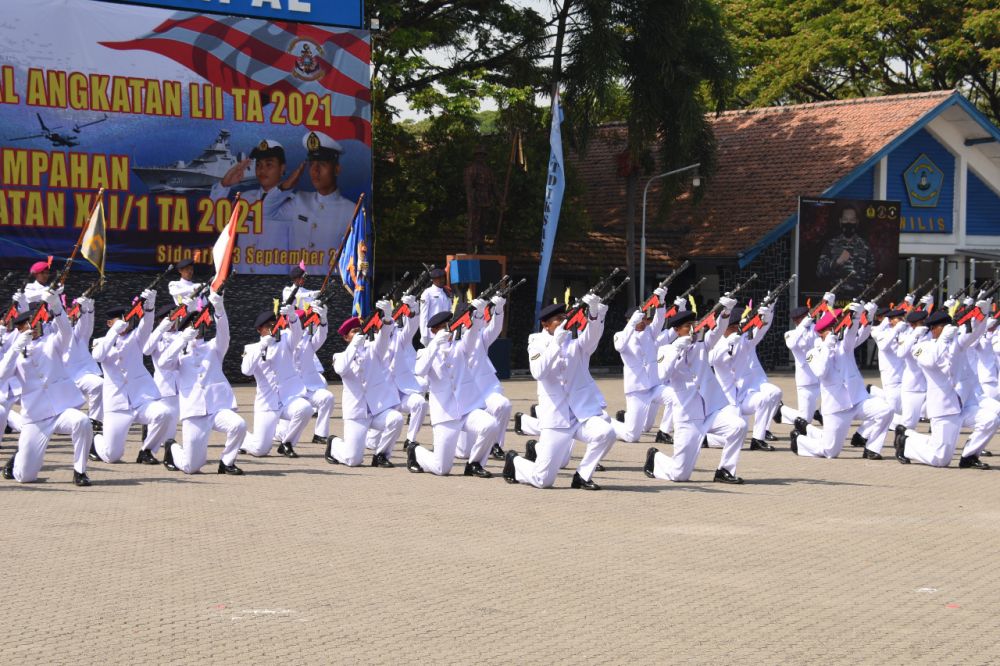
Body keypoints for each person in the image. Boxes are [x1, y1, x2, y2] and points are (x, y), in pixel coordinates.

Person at [503, 299, 615, 490]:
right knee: (543, 480)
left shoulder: (575, 342)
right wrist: (556, 343)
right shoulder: (536, 341)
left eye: (565, 317)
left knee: (606, 433)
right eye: (558, 319)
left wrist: (594, 315)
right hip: (556, 417)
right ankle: (515, 462)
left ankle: (582, 476)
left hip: (580, 414)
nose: (563, 322)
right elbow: (538, 372)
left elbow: (592, 339)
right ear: (545, 324)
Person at [643, 301, 749, 484]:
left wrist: (725, 312)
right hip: (688, 416)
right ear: (677, 330)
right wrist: (678, 348)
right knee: (680, 475)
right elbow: (663, 374)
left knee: (738, 425)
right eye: (687, 327)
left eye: (694, 325)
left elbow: (716, 332)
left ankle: (724, 470)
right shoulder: (666, 350)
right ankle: (656, 459)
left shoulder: (702, 345)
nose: (692, 330)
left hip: (710, 410)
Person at [0, 293, 93, 486]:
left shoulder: (51, 341)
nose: (31, 329)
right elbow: (2, 375)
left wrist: (57, 307)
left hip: (61, 410)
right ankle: (18, 459)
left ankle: (80, 471)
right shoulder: (15, 352)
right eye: (24, 327)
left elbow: (66, 333)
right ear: (18, 330)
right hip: (36, 416)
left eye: (33, 324)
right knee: (25, 477)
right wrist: (16, 348)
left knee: (82, 421)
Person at [894, 309, 999, 468]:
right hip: (944, 408)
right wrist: (944, 339)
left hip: (964, 404)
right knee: (940, 459)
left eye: (947, 326)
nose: (946, 329)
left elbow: (975, 334)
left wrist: (982, 316)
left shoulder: (956, 342)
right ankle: (906, 440)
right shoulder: (921, 347)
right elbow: (931, 361)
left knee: (990, 419)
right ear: (933, 329)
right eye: (942, 327)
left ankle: (969, 457)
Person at [158, 291, 246, 475]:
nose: (195, 329)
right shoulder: (179, 354)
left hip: (217, 407)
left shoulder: (213, 347)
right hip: (194, 412)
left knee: (239, 425)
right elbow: (163, 363)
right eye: (191, 326)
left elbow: (224, 334)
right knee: (192, 467)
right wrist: (182, 339)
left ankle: (226, 462)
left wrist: (219, 308)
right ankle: (172, 448)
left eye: (197, 325)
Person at [788, 305, 893, 459]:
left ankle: (872, 449)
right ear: (823, 333)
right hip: (836, 408)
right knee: (830, 451)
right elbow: (821, 371)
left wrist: (857, 317)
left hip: (857, 400)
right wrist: (827, 346)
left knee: (886, 410)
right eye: (831, 329)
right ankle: (800, 441)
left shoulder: (844, 346)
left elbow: (852, 334)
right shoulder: (813, 352)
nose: (834, 332)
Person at [408, 310, 500, 478]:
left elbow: (472, 336)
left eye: (448, 327)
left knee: (490, 425)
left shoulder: (460, 347)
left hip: (467, 408)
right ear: (433, 331)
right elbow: (420, 370)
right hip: (446, 414)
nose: (447, 331)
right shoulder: (425, 353)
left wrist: (478, 315)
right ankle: (416, 452)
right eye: (442, 328)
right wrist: (434, 344)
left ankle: (475, 463)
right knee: (442, 468)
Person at [91, 294, 178, 465]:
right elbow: (99, 356)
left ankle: (146, 450)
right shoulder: (101, 341)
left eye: (127, 320)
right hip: (117, 404)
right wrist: (114, 331)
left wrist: (149, 308)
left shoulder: (136, 338)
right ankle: (95, 442)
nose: (125, 324)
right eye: (119, 321)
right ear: (110, 323)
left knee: (164, 413)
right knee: (112, 456)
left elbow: (146, 326)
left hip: (141, 399)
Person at [262, 131, 356, 272]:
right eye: (312, 164)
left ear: (336, 169)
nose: (315, 170)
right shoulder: (300, 200)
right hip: (297, 288)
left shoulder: (352, 211)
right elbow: (266, 211)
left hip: (330, 288)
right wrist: (287, 185)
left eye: (322, 164)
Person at [328, 311, 404, 468]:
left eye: (359, 330)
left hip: (376, 409)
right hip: (357, 412)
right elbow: (342, 368)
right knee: (353, 460)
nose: (357, 334)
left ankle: (381, 455)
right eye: (353, 332)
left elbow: (384, 339)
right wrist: (355, 345)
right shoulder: (339, 356)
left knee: (396, 418)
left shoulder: (373, 349)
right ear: (346, 337)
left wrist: (388, 320)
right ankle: (334, 444)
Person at [210, 138, 292, 274]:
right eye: (258, 165)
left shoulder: (293, 202)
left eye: (269, 164)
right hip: (241, 277)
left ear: (282, 168)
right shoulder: (244, 199)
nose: (262, 170)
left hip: (276, 281)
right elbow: (214, 221)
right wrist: (224, 185)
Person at [239, 308, 313, 458]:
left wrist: (292, 316)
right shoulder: (251, 348)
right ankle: (241, 439)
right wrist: (262, 346)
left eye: (274, 325)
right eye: (268, 326)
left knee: (305, 408)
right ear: (259, 329)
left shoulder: (286, 340)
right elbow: (246, 370)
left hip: (288, 399)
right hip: (267, 403)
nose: (272, 328)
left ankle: (287, 443)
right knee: (260, 450)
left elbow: (297, 332)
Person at [610, 296, 672, 443]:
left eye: (645, 319)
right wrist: (632, 323)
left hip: (654, 386)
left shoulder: (649, 332)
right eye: (640, 319)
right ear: (629, 320)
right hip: (637, 391)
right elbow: (620, 346)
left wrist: (661, 302)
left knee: (677, 398)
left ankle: (663, 432)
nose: (644, 322)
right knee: (632, 436)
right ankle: (608, 422)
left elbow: (659, 321)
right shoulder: (620, 335)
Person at [64, 294, 104, 433]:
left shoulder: (79, 335)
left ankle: (95, 420)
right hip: (62, 379)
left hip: (81, 375)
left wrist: (87, 310)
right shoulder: (55, 333)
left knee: (99, 384)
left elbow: (86, 327)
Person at [816, 206, 875, 298]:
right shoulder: (831, 244)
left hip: (858, 300)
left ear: (857, 221)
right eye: (845, 219)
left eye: (852, 220)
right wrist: (837, 262)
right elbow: (820, 271)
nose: (849, 223)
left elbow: (872, 275)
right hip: (835, 298)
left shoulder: (865, 246)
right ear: (840, 221)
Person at [418, 268, 451, 346]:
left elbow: (449, 311)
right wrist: (424, 334)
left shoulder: (447, 293)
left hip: (445, 332)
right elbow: (423, 315)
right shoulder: (427, 293)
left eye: (443, 278)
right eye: (439, 278)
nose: (442, 280)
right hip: (431, 333)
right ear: (433, 280)